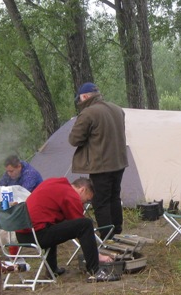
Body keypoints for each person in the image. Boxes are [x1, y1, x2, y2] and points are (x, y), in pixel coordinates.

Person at [17, 176, 117, 281]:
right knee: (86, 224)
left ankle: (52, 270)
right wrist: (98, 255)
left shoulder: (55, 183)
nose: (83, 204)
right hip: (37, 234)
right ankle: (95, 271)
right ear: (82, 190)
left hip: (22, 235)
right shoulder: (71, 195)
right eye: (86, 200)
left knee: (52, 226)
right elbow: (80, 225)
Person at [68, 82, 128, 236]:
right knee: (114, 197)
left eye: (80, 99)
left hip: (101, 165)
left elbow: (74, 140)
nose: (80, 103)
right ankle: (117, 232)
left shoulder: (88, 113)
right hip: (119, 162)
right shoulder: (117, 109)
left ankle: (107, 237)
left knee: (100, 202)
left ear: (86, 97)